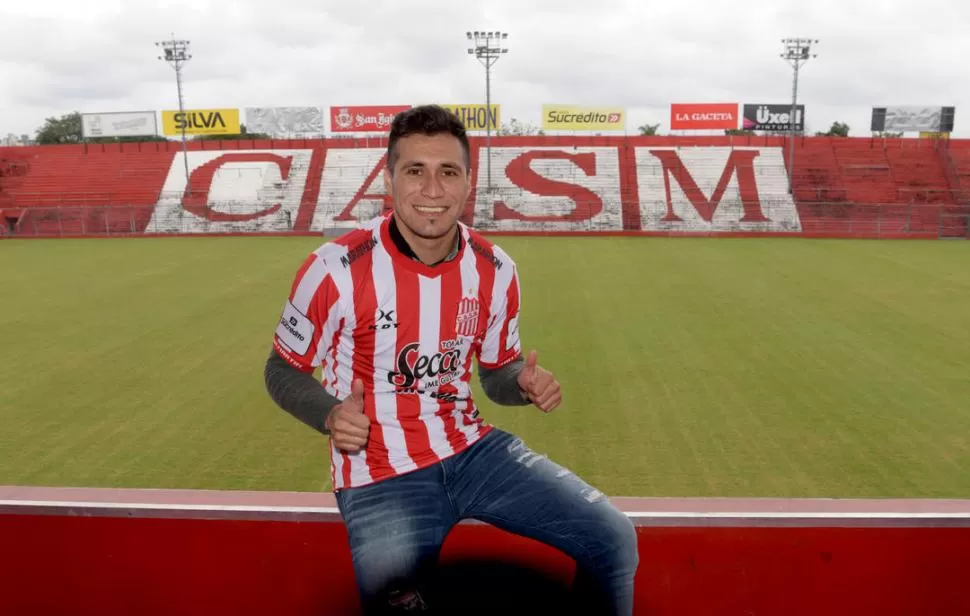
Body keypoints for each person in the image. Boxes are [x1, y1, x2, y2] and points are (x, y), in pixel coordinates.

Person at [264, 104, 639, 614]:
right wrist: (328, 413)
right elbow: (281, 368)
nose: (433, 190)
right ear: (389, 179)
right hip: (380, 471)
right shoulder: (335, 268)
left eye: (448, 172)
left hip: (474, 451)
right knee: (399, 601)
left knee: (613, 538)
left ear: (468, 182)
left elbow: (496, 374)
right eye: (415, 171)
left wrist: (522, 384)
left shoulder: (496, 268)